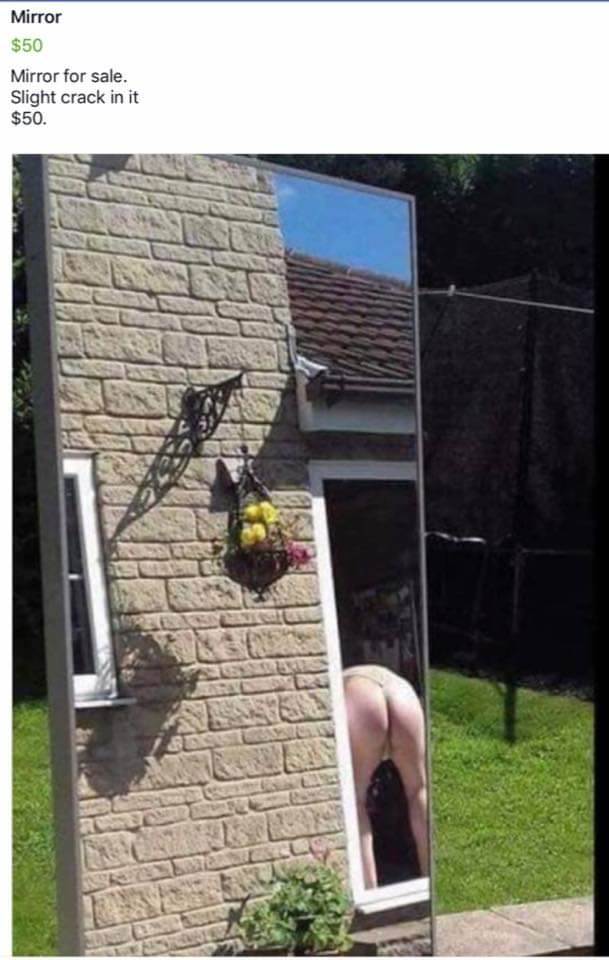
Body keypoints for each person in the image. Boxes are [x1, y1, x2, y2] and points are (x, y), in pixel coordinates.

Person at [343, 663, 428, 888]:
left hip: (360, 695)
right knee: (418, 791)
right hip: (400, 690)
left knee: (355, 800)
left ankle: (370, 893)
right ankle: (432, 878)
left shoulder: (343, 683)